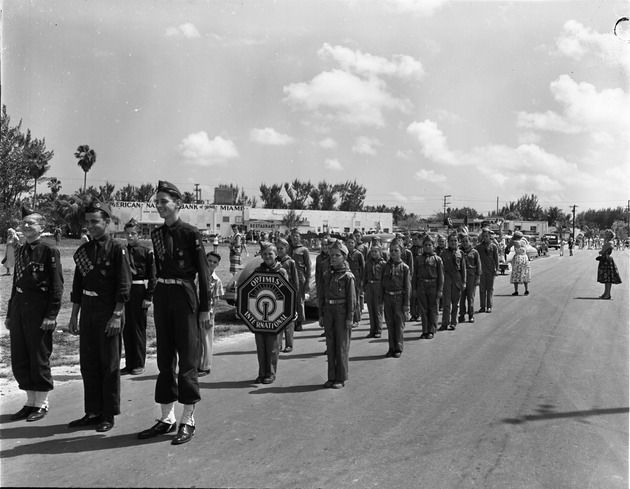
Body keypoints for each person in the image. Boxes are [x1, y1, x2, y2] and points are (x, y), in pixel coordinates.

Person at [137, 181, 210, 446]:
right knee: (165, 359)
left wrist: (205, 308)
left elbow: (202, 273)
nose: (159, 206)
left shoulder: (191, 233)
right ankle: (166, 417)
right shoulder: (156, 234)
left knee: (188, 359)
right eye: (156, 202)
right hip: (163, 297)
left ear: (178, 204)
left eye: (164, 201)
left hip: (185, 296)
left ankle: (187, 419)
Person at [67, 200, 131, 433]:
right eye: (87, 223)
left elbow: (124, 285)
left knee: (109, 365)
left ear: (107, 222)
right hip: (88, 310)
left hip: (108, 311)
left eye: (95, 222)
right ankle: (92, 412)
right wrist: (74, 316)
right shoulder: (83, 251)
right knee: (89, 364)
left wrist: (116, 315)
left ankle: (108, 413)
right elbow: (77, 285)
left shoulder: (117, 249)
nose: (90, 226)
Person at [5, 206, 64, 422]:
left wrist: (51, 315)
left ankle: (41, 403)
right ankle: (29, 402)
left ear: (42, 227)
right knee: (20, 356)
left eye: (31, 223)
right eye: (24, 223)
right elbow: (16, 282)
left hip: (39, 309)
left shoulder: (49, 251)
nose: (26, 226)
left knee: (38, 356)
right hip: (20, 306)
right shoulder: (21, 251)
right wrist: (11, 312)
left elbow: (57, 287)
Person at [121, 218, 156, 376]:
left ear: (139, 235)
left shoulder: (146, 251)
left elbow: (153, 277)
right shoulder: (121, 251)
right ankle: (129, 364)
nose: (129, 237)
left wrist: (148, 297)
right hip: (124, 291)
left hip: (139, 290)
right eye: (127, 234)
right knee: (126, 329)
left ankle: (139, 363)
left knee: (138, 329)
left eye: (133, 234)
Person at [318, 241, 356, 388]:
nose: (333, 258)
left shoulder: (348, 277)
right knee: (331, 345)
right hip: (329, 312)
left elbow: (352, 299)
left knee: (341, 346)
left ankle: (341, 377)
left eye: (337, 255)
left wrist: (350, 317)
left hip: (342, 313)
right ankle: (331, 376)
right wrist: (321, 314)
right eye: (331, 255)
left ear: (344, 257)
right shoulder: (327, 274)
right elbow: (322, 295)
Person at [252, 242, 288, 383]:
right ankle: (262, 373)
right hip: (259, 314)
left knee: (273, 346)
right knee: (260, 345)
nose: (267, 256)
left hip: (276, 313)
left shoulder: (282, 271)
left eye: (270, 254)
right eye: (265, 254)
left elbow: (287, 293)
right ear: (261, 255)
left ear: (276, 255)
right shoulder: (257, 271)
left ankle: (271, 374)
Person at [381, 239, 411, 358]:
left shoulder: (404, 268)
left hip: (399, 298)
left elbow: (407, 287)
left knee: (399, 325)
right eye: (391, 250)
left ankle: (398, 348)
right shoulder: (385, 266)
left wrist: (406, 305)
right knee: (390, 324)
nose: (393, 253)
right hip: (388, 297)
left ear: (401, 251)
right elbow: (382, 283)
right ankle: (391, 347)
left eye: (396, 250)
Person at [198, 251, 224, 376]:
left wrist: (212, 316)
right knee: (196, 340)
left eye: (214, 262)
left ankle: (205, 367)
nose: (211, 263)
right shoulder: (197, 276)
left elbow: (217, 300)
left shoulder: (216, 280)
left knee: (206, 340)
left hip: (208, 312)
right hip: (195, 312)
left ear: (217, 265)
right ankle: (196, 364)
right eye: (209, 261)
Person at [413, 234, 443, 339]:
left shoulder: (437, 259)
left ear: (433, 246)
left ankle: (431, 330)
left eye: (430, 245)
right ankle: (425, 330)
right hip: (422, 285)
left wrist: (440, 290)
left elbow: (441, 276)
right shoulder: (418, 259)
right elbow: (415, 275)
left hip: (433, 285)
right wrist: (415, 289)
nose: (427, 247)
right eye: (425, 245)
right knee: (423, 309)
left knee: (433, 309)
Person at [276, 238, 299, 353]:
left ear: (287, 249)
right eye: (278, 248)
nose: (279, 250)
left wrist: (294, 296)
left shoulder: (291, 262)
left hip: (288, 294)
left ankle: (289, 344)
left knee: (289, 321)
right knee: (277, 319)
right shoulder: (274, 262)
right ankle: (278, 344)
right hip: (276, 295)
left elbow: (295, 281)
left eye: (282, 248)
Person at [439, 232, 466, 331]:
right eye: (451, 241)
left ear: (458, 242)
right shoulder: (443, 253)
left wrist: (464, 282)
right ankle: (445, 323)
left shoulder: (461, 253)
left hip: (457, 280)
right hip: (446, 280)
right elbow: (440, 269)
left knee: (456, 303)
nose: (453, 242)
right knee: (446, 303)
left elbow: (463, 269)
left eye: (455, 240)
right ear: (448, 242)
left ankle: (453, 322)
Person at [363, 242, 386, 338]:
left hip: (379, 286)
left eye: (376, 251)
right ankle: (372, 329)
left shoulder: (383, 264)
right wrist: (364, 287)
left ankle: (378, 330)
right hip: (370, 286)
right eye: (372, 251)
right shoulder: (367, 263)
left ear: (380, 252)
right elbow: (364, 276)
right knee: (371, 309)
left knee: (378, 309)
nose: (373, 253)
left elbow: (385, 277)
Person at [290, 228, 311, 331]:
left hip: (300, 278)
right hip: (289, 279)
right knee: (290, 301)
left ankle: (299, 322)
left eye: (296, 236)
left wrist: (307, 281)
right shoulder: (288, 249)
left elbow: (308, 266)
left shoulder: (304, 250)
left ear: (300, 238)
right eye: (293, 236)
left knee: (299, 301)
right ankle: (291, 321)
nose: (294, 238)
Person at [458, 233, 481, 324]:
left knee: (470, 296)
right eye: (463, 241)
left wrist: (478, 277)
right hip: (461, 276)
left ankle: (471, 315)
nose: (464, 243)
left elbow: (478, 265)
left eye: (466, 241)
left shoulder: (474, 252)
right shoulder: (459, 252)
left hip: (471, 275)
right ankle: (462, 315)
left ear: (470, 242)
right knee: (462, 297)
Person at [475, 228, 499, 313]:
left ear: (490, 237)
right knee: (482, 289)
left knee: (489, 289)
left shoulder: (493, 246)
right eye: (483, 236)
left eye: (486, 236)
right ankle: (482, 306)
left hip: (490, 270)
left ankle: (489, 306)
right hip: (481, 270)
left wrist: (496, 269)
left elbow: (496, 259)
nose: (485, 238)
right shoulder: (478, 247)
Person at [345, 234, 365, 328]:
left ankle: (356, 319)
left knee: (355, 300)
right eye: (348, 242)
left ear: (355, 243)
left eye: (352, 242)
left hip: (356, 279)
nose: (350, 244)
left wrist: (362, 280)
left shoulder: (358, 254)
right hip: (346, 278)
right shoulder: (344, 254)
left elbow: (363, 268)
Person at [597, 229, 622, 299]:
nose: (605, 235)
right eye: (605, 234)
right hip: (606, 260)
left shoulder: (609, 243)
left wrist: (602, 251)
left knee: (608, 278)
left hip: (607, 261)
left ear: (610, 235)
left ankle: (607, 294)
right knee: (606, 278)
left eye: (607, 234)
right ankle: (605, 293)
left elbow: (602, 251)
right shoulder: (609, 242)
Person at [315, 235, 331, 337]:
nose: (324, 247)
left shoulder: (333, 257)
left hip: (330, 285)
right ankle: (326, 328)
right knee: (323, 307)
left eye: (326, 245)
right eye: (323, 245)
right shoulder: (319, 258)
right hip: (322, 285)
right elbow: (317, 273)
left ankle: (330, 329)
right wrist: (318, 285)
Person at [510, 231, 531, 296]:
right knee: (524, 272)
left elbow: (508, 246)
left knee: (516, 273)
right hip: (525, 258)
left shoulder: (515, 242)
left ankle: (516, 291)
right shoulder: (524, 241)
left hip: (518, 258)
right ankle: (526, 289)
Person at [408, 233, 423, 321]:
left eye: (416, 239)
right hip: (412, 274)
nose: (414, 241)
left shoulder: (423, 250)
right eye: (413, 239)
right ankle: (413, 313)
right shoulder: (410, 250)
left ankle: (420, 313)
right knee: (413, 295)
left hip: (420, 274)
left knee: (420, 295)